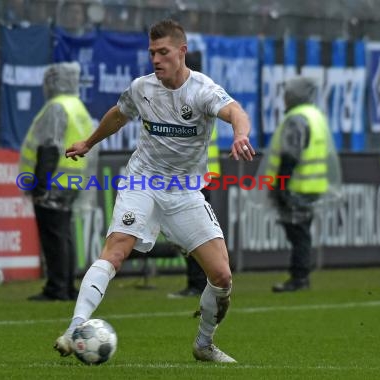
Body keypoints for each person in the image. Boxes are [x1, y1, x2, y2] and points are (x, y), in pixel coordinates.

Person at [53, 19, 254, 363]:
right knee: (115, 250)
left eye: (163, 52)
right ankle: (75, 327)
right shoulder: (141, 88)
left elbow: (235, 111)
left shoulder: (202, 91)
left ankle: (204, 345)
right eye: (152, 53)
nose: (156, 60)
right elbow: (119, 114)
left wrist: (240, 135)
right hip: (142, 182)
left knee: (221, 276)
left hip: (185, 193)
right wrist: (88, 142)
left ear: (181, 51)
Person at [19, 62, 95, 301]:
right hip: (72, 180)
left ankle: (57, 287)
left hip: (53, 180)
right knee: (64, 234)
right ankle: (68, 286)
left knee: (53, 236)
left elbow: (50, 146)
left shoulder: (56, 107)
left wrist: (39, 184)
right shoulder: (78, 107)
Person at [265, 77, 335, 293]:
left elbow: (290, 155)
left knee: (298, 233)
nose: (284, 98)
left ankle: (299, 277)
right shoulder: (315, 116)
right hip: (313, 184)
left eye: (287, 93)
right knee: (301, 232)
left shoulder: (297, 118)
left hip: (297, 186)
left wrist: (281, 186)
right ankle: (300, 276)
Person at [168, 51, 220, 299]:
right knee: (197, 232)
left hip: (192, 177)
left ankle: (198, 282)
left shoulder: (191, 94)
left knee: (194, 233)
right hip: (202, 175)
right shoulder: (206, 91)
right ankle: (200, 281)